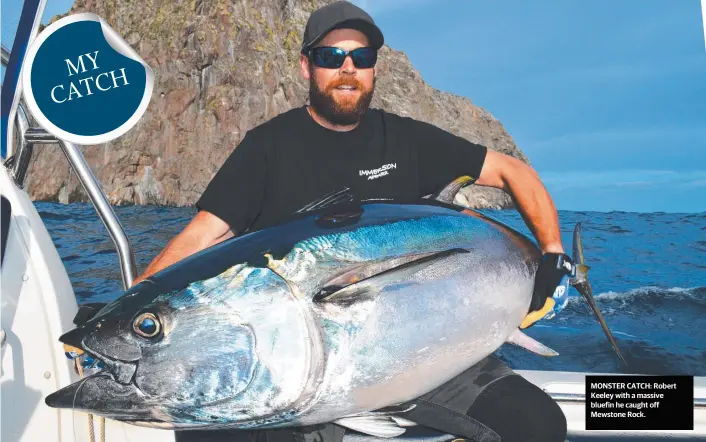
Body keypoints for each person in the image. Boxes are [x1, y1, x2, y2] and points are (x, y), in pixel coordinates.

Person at [133, 2, 572, 441]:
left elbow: (513, 172)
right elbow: (208, 233)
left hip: (433, 351)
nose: (347, 68)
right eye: (330, 57)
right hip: (312, 371)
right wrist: (136, 304)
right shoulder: (267, 149)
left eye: (361, 58)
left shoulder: (408, 139)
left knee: (539, 425)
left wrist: (551, 255)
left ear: (374, 69)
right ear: (307, 67)